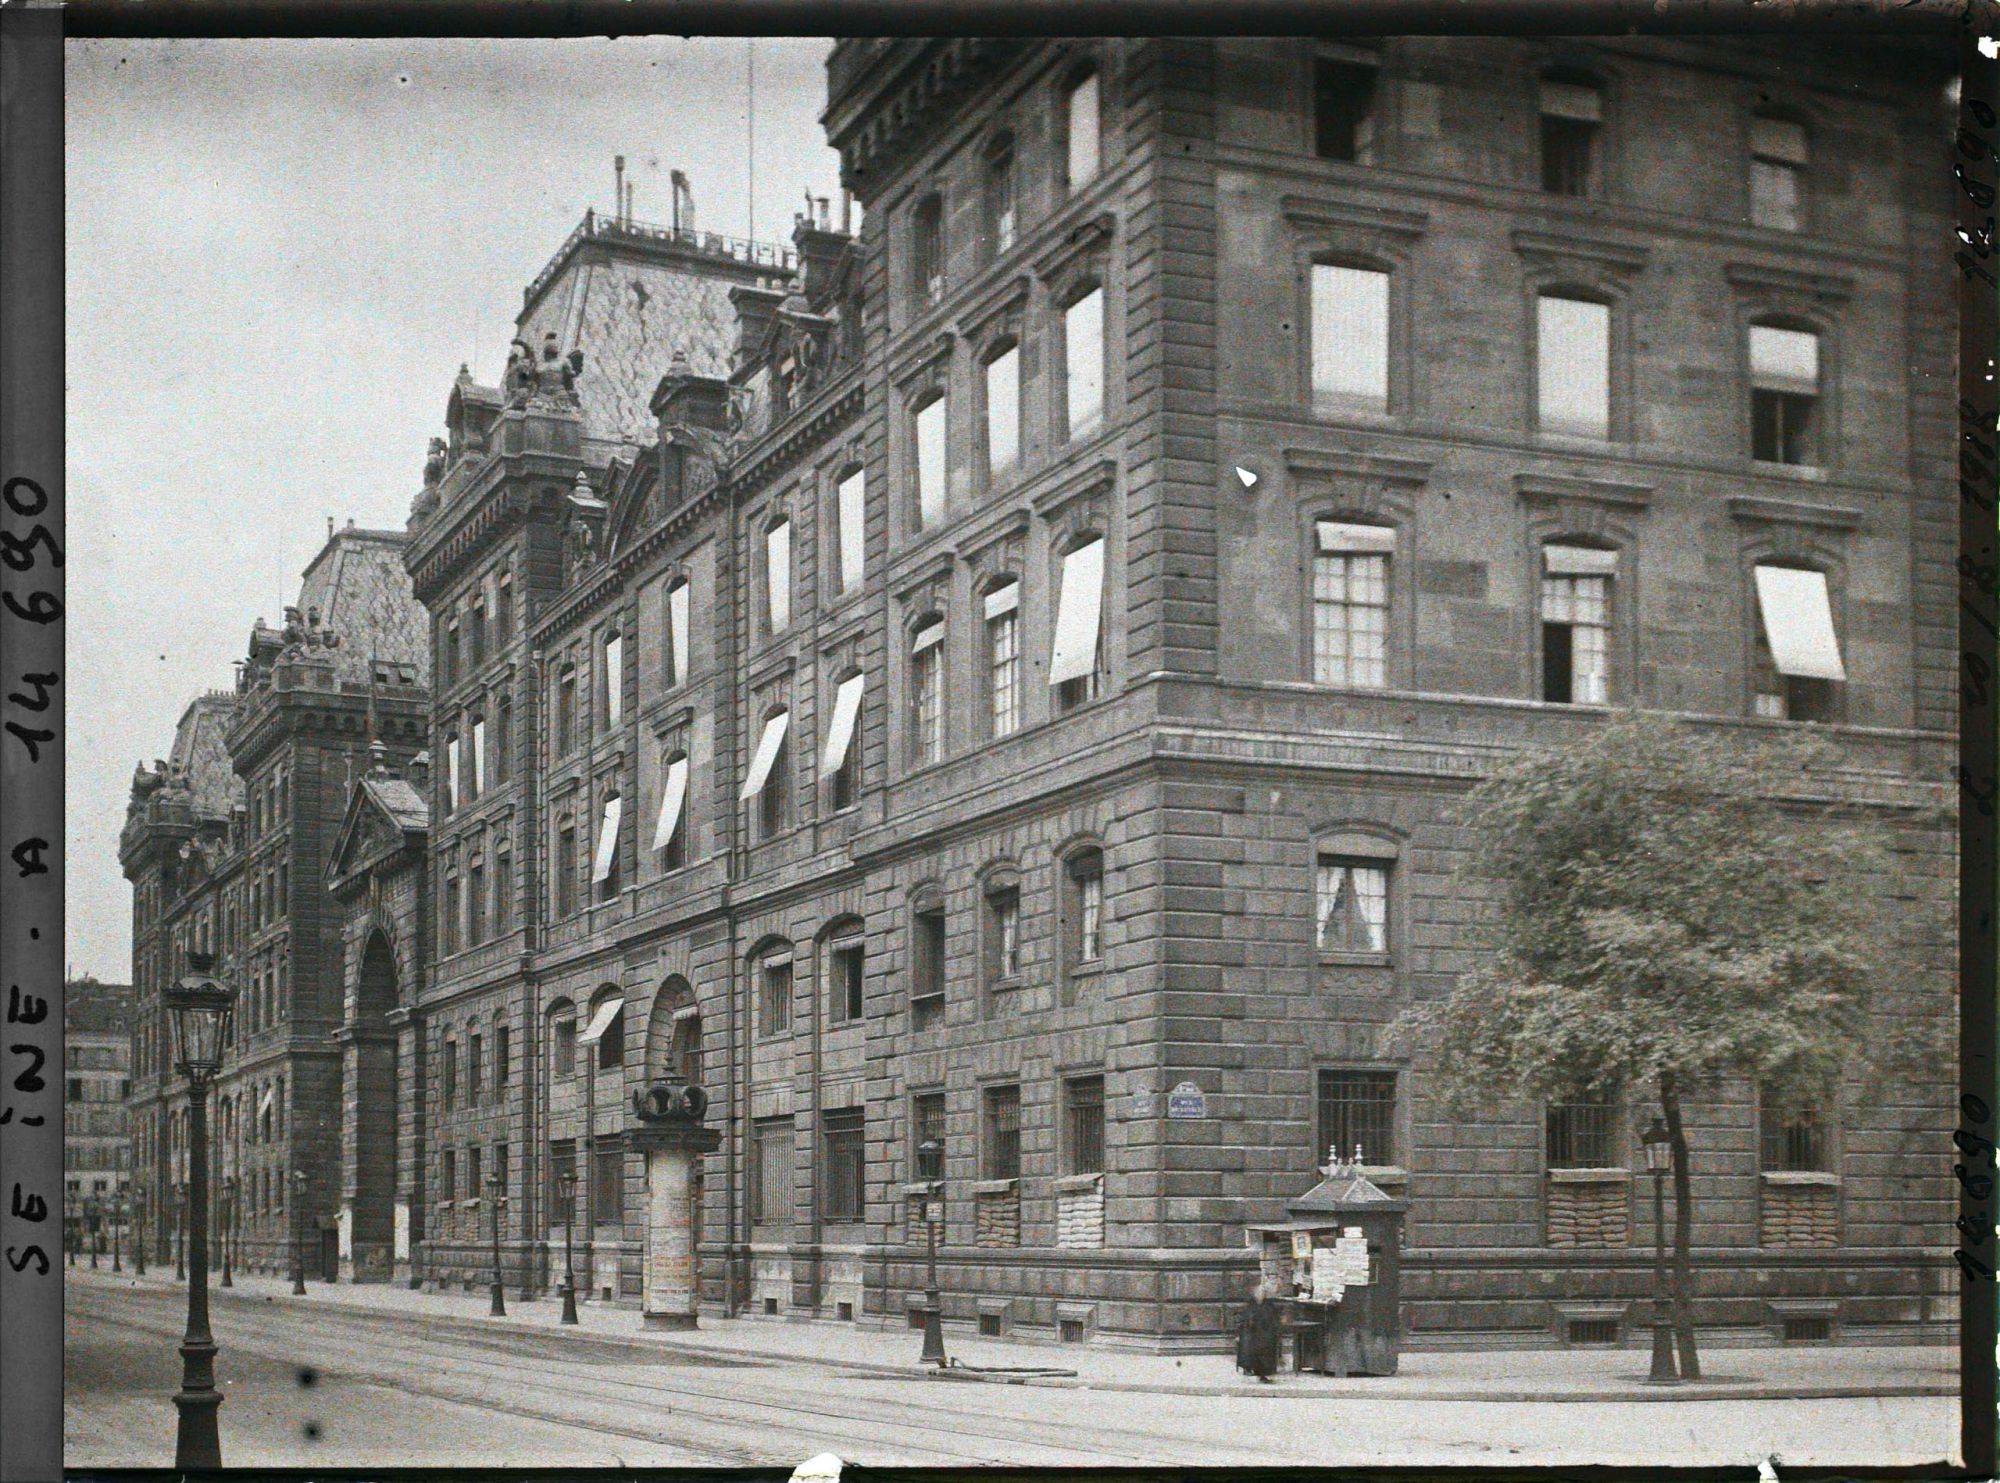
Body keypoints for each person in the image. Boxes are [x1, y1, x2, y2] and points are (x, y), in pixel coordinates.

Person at [1236, 1279, 1282, 1383]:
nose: (1260, 1295)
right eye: (1259, 1293)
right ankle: (1254, 1370)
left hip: (1266, 1334)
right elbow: (1246, 1321)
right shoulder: (1251, 1305)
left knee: (1266, 1346)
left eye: (1262, 1293)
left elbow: (1273, 1319)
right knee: (1252, 1346)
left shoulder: (1268, 1305)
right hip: (1253, 1335)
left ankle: (1263, 1374)